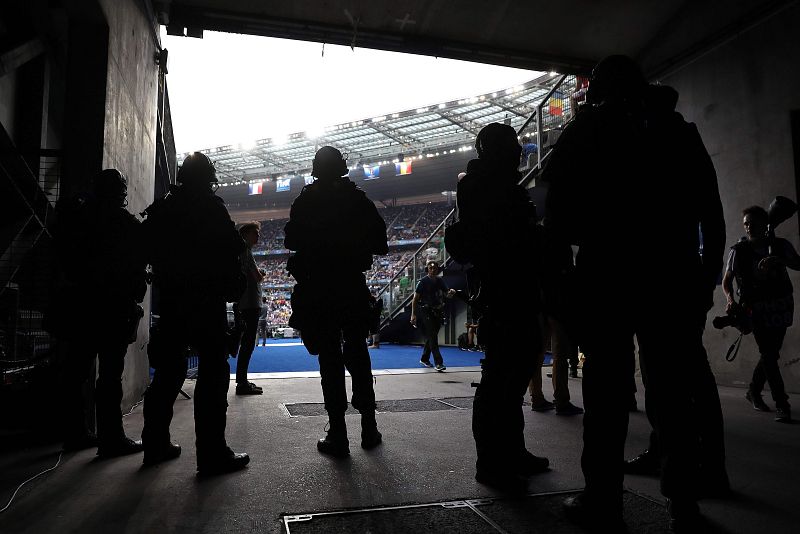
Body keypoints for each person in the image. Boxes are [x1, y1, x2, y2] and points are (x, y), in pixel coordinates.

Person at [543, 56, 726, 531]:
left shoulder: (587, 130)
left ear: (599, 89)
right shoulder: (677, 130)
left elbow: (556, 217)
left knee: (606, 394)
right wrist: (705, 281)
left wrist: (563, 283)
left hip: (607, 276)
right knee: (674, 394)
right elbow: (712, 212)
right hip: (672, 275)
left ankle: (603, 500)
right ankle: (684, 503)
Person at [446, 122, 549, 492]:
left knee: (515, 374)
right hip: (503, 289)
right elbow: (500, 237)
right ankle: (490, 462)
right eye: (512, 146)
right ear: (497, 150)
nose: (519, 152)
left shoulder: (495, 183)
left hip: (515, 287)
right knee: (499, 380)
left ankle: (513, 451)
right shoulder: (484, 186)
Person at [140, 152, 250, 474]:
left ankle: (155, 445)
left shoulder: (165, 207)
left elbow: (145, 246)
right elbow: (232, 249)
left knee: (167, 374)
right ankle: (212, 454)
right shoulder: (211, 207)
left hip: (173, 301)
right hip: (205, 302)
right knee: (213, 375)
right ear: (207, 179)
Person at [284, 146, 388, 458]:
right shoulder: (357, 199)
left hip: (318, 288)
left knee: (329, 358)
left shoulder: (306, 200)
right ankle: (369, 428)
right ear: (342, 167)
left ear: (315, 169)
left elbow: (291, 240)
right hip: (350, 285)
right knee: (358, 353)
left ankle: (338, 434)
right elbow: (380, 243)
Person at [52, 169, 147, 458]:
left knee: (75, 374)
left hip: (81, 306)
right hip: (112, 308)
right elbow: (138, 263)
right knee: (109, 377)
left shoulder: (78, 219)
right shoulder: (124, 223)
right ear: (120, 193)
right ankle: (111, 438)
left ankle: (75, 434)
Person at [723, 205, 800, 422]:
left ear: (764, 224)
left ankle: (753, 391)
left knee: (771, 354)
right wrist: (730, 300)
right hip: (755, 308)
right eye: (746, 224)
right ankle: (782, 403)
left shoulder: (780, 245)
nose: (749, 227)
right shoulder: (738, 250)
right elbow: (727, 281)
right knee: (768, 353)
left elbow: (799, 264)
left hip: (781, 307)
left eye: (753, 223)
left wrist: (779, 260)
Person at [233, 222, 265, 395]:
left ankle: (242, 380)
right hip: (250, 303)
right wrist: (261, 274)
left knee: (246, 343)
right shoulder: (246, 251)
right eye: (255, 233)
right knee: (247, 344)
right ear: (245, 235)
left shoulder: (243, 251)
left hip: (246, 303)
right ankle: (242, 383)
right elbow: (257, 277)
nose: (258, 236)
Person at [410, 260, 455, 371]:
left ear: (437, 269)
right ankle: (439, 363)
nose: (433, 270)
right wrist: (413, 314)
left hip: (438, 311)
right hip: (426, 311)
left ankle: (424, 358)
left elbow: (447, 294)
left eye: (435, 268)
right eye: (430, 268)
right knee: (433, 336)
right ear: (427, 270)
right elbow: (415, 299)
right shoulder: (422, 282)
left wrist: (451, 293)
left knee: (432, 335)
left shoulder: (440, 281)